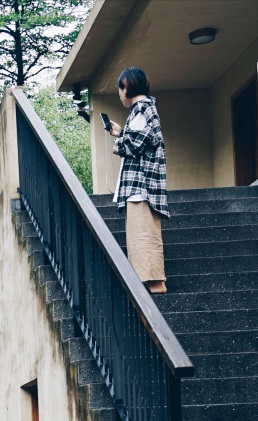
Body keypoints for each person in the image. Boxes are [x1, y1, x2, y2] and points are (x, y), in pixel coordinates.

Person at [106, 66, 167, 293]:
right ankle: (153, 282)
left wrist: (118, 145)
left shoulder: (141, 109)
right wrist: (122, 133)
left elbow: (134, 146)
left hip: (140, 185)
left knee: (141, 234)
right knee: (146, 233)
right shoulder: (146, 109)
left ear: (127, 87)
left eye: (120, 90)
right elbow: (143, 140)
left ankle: (153, 283)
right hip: (145, 185)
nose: (120, 95)